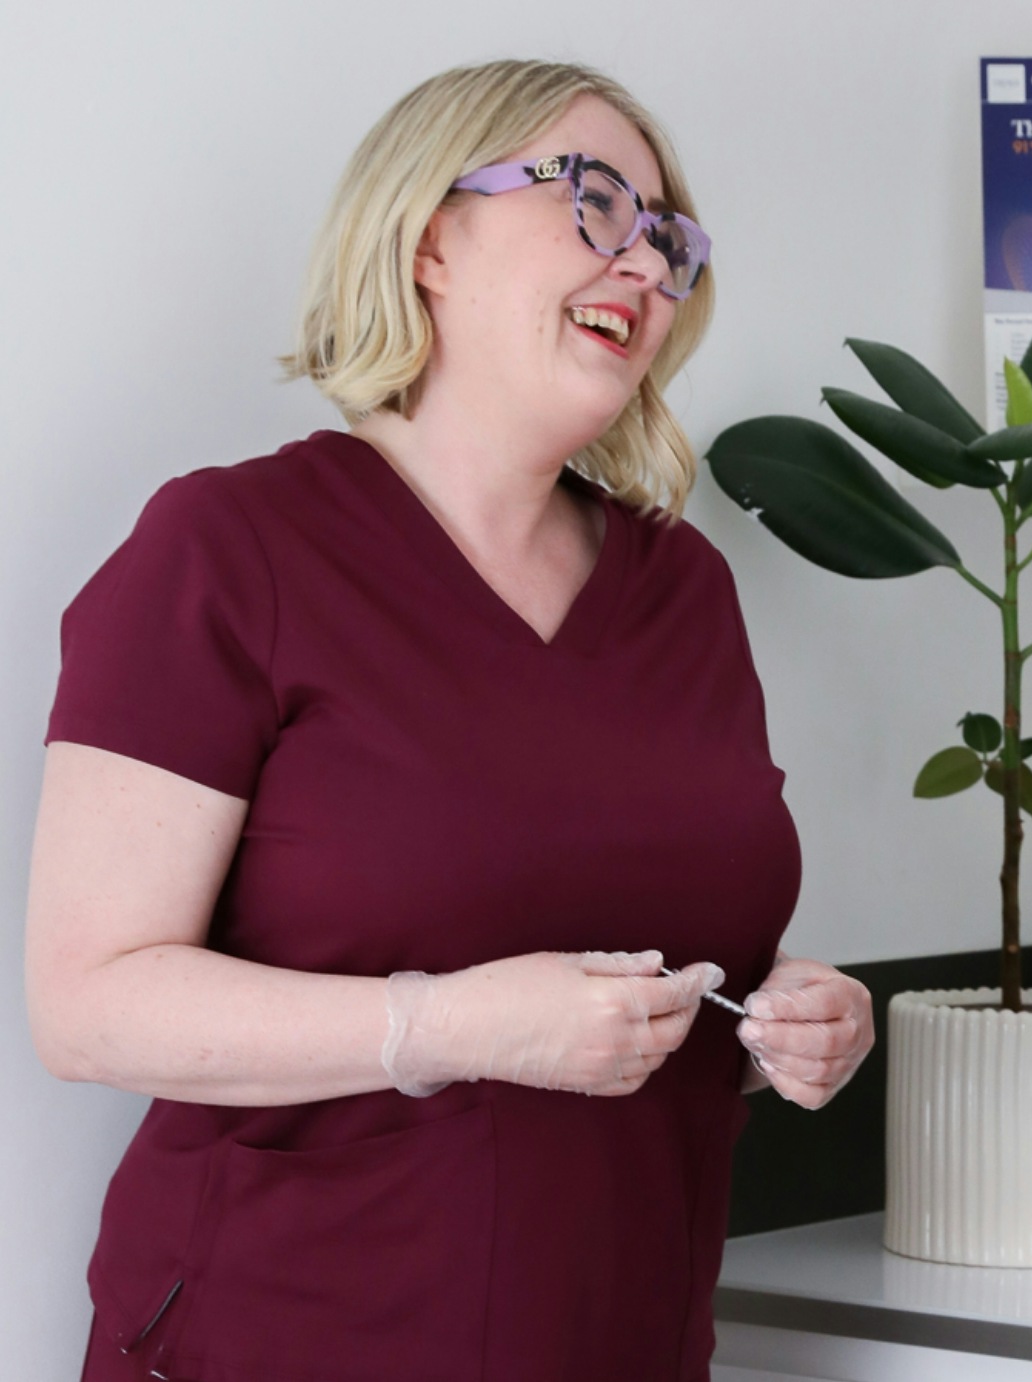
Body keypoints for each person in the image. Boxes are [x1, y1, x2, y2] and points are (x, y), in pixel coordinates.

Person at [24, 59, 874, 1382]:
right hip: (286, 1339)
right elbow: (85, 1003)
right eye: (594, 201)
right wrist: (452, 1025)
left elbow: (630, 964)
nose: (645, 265)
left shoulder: (683, 590)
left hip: (625, 1337)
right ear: (429, 239)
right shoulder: (231, 550)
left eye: (668, 241)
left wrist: (777, 1028)